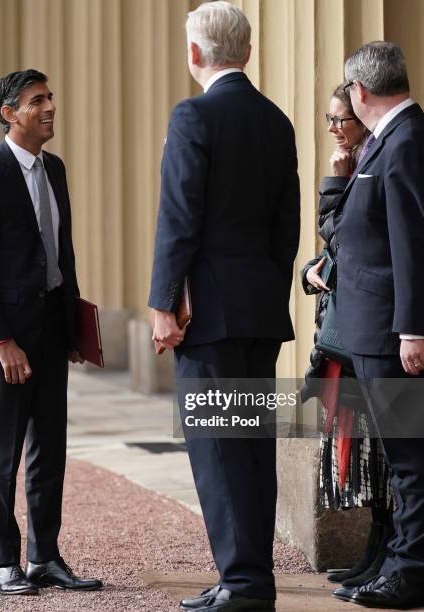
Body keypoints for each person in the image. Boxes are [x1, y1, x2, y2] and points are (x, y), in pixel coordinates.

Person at [149, 3, 300, 611]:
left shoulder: (193, 114)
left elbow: (179, 218)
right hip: (258, 309)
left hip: (207, 315)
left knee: (217, 448)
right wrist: (266, 288)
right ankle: (248, 578)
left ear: (194, 55)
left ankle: (243, 582)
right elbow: (285, 227)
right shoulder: (277, 120)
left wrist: (163, 302)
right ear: (248, 51)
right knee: (249, 447)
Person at [0, 69, 102, 596]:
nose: (50, 107)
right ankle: (3, 563)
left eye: (50, 97)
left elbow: (61, 252)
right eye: (37, 101)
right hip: (7, 342)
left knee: (50, 451)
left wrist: (74, 328)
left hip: (50, 334)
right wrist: (2, 342)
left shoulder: (54, 169)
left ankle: (44, 558)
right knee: (4, 454)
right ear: (8, 113)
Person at [334, 42, 424, 609]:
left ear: (359, 92)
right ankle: (399, 561)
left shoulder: (406, 140)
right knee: (402, 456)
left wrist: (413, 328)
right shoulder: (391, 138)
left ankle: (410, 571)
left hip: (393, 333)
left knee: (411, 457)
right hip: (375, 327)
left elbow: (412, 243)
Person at [300, 84, 393, 594]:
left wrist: (332, 184)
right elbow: (332, 250)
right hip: (346, 335)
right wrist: (311, 271)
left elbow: (345, 241)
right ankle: (374, 552)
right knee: (367, 461)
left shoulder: (370, 170)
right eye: (330, 119)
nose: (333, 128)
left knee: (381, 460)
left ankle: (385, 556)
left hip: (372, 335)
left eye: (342, 120)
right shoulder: (360, 169)